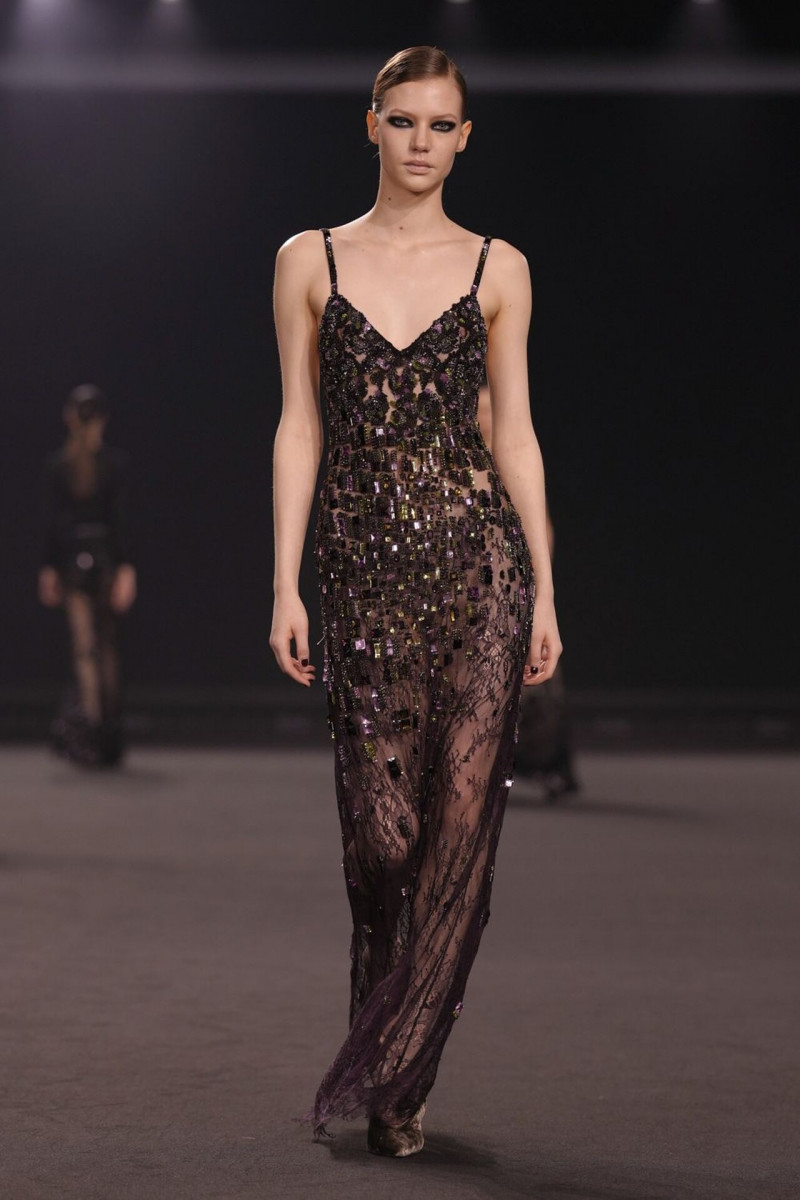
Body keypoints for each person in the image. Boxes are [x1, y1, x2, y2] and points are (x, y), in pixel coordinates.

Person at [270, 46, 562, 1157]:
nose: (422, 143)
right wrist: (284, 579)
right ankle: (383, 1031)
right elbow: (299, 425)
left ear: (464, 137)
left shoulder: (498, 267)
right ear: (371, 124)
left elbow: (516, 436)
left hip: (480, 572)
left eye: (442, 125)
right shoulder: (309, 259)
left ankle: (397, 1079)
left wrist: (545, 589)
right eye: (404, 121)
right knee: (383, 842)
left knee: (457, 832)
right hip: (360, 573)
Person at [477, 383, 580, 801]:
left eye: (491, 408)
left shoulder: (513, 461)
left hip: (512, 580)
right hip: (467, 583)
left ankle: (550, 764)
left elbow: (542, 525)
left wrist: (539, 584)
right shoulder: (457, 464)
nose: (485, 416)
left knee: (536, 680)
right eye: (480, 409)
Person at [39, 385, 136, 767]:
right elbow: (121, 521)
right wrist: (126, 566)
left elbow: (53, 523)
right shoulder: (114, 464)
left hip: (72, 559)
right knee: (106, 647)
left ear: (69, 418)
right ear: (103, 420)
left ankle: (94, 730)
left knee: (85, 649)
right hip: (106, 557)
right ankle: (108, 732)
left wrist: (49, 566)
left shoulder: (59, 466)